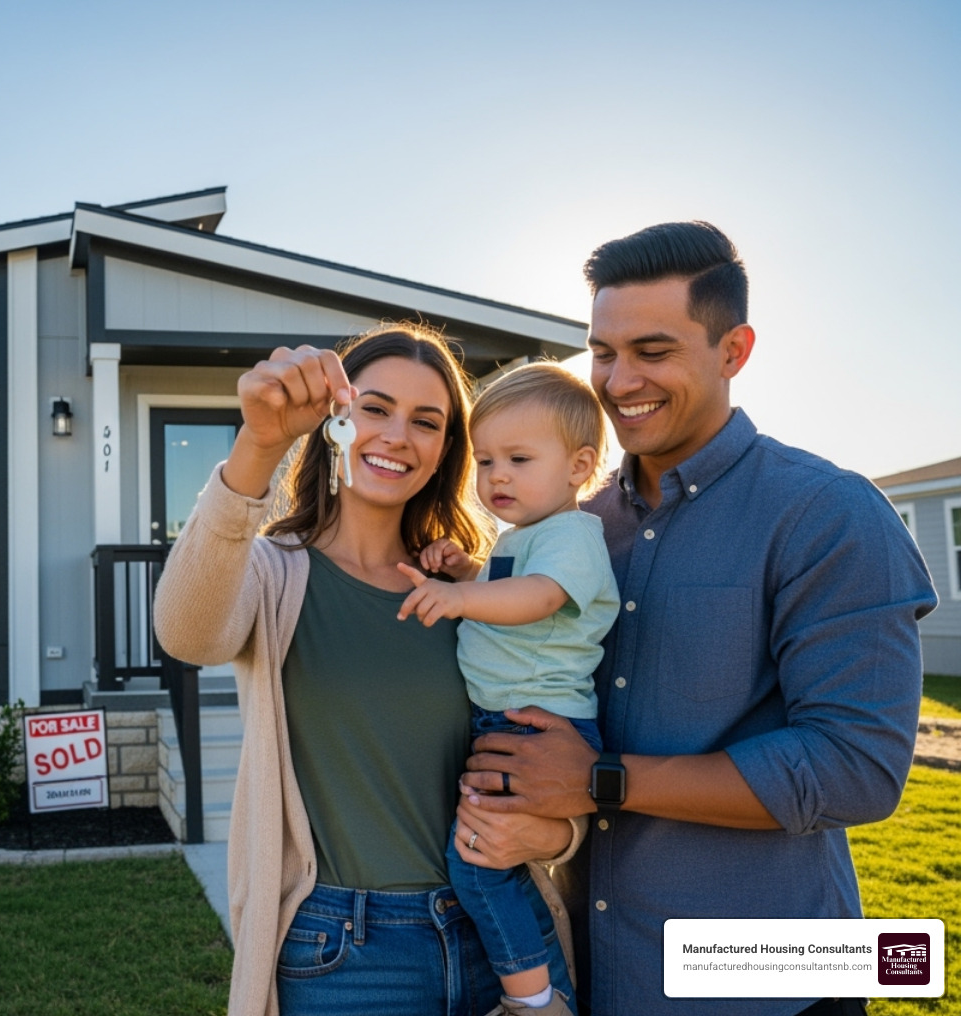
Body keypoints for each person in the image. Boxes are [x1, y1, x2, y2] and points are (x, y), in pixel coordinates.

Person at [456, 222, 938, 1016]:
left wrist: (603, 780)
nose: (619, 382)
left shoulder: (827, 513)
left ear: (733, 351)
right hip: (595, 978)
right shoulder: (575, 528)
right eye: (603, 353)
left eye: (652, 351)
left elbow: (857, 768)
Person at [154, 324, 583, 1016]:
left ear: (446, 450)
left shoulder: (478, 588)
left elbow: (552, 737)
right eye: (375, 408)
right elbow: (186, 635)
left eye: (427, 422)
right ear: (335, 422)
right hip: (346, 957)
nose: (397, 436)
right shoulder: (273, 574)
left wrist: (561, 835)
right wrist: (260, 443)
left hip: (500, 939)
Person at [400, 362, 619, 1016]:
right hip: (508, 721)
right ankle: (540, 986)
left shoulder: (573, 535)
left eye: (519, 459)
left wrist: (459, 597)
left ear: (580, 466)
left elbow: (539, 597)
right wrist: (466, 568)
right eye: (486, 460)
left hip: (533, 726)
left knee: (477, 866)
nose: (496, 476)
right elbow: (509, 586)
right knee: (491, 859)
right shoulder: (524, 536)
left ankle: (533, 1000)